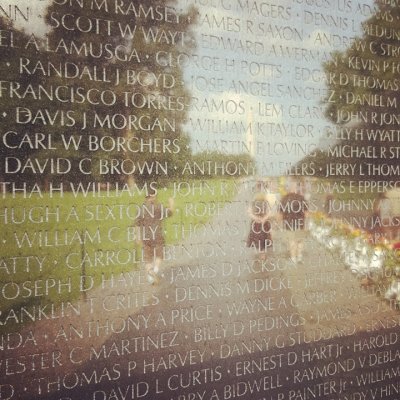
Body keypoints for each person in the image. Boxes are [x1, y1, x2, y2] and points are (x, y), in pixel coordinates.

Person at [136, 193, 174, 284]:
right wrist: (171, 204)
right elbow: (170, 213)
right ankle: (155, 271)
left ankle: (150, 275)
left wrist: (137, 237)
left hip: (145, 237)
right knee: (159, 255)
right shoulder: (158, 207)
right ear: (154, 197)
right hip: (157, 236)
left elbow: (137, 224)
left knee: (148, 258)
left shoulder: (141, 209)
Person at [279, 180, 308, 263]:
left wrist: (281, 223)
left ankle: (293, 258)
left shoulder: (284, 198)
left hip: (289, 223)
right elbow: (306, 213)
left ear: (288, 188)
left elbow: (281, 213)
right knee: (299, 240)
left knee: (292, 241)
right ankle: (299, 256)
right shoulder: (301, 198)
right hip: (300, 223)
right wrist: (305, 223)